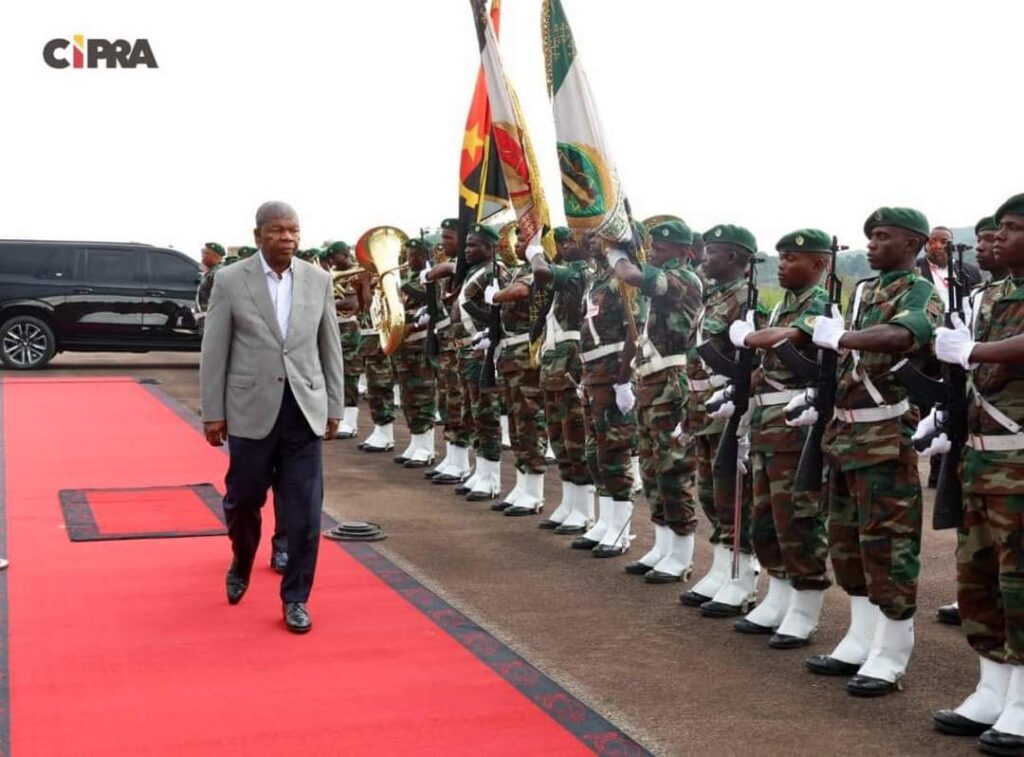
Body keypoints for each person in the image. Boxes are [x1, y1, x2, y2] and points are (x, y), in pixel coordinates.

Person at [803, 207, 942, 695]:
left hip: (884, 439)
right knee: (847, 544)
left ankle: (892, 652)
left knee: (889, 549)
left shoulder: (920, 291)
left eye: (883, 237)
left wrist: (841, 337)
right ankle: (861, 639)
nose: (872, 244)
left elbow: (902, 336)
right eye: (870, 237)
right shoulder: (864, 291)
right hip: (844, 437)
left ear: (912, 243)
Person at [199, 201, 344, 634]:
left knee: (304, 512)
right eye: (278, 231)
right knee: (243, 501)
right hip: (250, 411)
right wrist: (214, 412)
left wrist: (335, 405)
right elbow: (215, 350)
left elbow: (329, 345)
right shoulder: (229, 280)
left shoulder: (318, 280)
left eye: (294, 230)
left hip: (304, 410)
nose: (288, 238)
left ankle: (296, 597)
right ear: (259, 234)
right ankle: (242, 558)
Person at [930, 195, 1024, 750]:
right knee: (980, 577)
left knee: (1021, 582)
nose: (1000, 236)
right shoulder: (991, 294)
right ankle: (993, 687)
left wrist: (974, 351)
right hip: (984, 457)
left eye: (1013, 229)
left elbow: (987, 356)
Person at [726, 229, 831, 646]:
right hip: (767, 425)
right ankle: (779, 593)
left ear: (819, 265)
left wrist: (748, 338)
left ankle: (805, 608)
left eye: (792, 258)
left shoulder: (819, 304)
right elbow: (771, 363)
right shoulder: (782, 306)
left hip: (793, 429)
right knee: (765, 517)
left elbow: (793, 339)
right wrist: (740, 384)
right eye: (782, 257)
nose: (783, 264)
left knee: (797, 519)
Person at [608, 219, 703, 582]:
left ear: (684, 250)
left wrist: (618, 258)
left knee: (672, 468)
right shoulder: (659, 284)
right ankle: (663, 545)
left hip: (670, 382)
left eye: (664, 248)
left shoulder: (682, 278)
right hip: (651, 381)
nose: (657, 252)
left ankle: (682, 553)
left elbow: (634, 276)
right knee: (650, 468)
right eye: (655, 247)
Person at [680, 224, 766, 615]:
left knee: (734, 494)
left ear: (734, 258)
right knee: (711, 493)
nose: (704, 257)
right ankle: (719, 568)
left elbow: (759, 363)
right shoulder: (714, 297)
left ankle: (742, 575)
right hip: (704, 408)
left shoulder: (747, 302)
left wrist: (741, 399)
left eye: (712, 252)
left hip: (731, 407)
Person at [935, 216, 1006, 629]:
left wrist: (974, 348)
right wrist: (945, 410)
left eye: (997, 235)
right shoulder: (981, 297)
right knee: (977, 550)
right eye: (980, 238)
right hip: (981, 444)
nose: (986, 245)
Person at [570, 233, 639, 558]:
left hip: (613, 374)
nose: (591, 243)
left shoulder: (620, 280)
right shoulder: (597, 278)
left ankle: (621, 528)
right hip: (594, 375)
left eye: (599, 239)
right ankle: (605, 519)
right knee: (594, 451)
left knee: (614, 453)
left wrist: (624, 380)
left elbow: (633, 332)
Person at [425, 224, 506, 500]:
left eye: (474, 246)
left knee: (485, 414)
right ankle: (480, 470)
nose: (468, 250)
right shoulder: (472, 271)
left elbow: (500, 312)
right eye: (467, 245)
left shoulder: (494, 271)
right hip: (465, 351)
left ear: (490, 248)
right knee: (471, 414)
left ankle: (492, 477)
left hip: (482, 352)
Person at [531, 227, 596, 533]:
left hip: (571, 362)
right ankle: (569, 501)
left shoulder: (581, 272)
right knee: (559, 438)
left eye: (571, 240)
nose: (565, 245)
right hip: (555, 362)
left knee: (575, 437)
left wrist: (534, 251)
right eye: (562, 242)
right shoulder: (568, 272)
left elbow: (542, 273)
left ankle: (584, 509)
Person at [487, 225, 548, 516]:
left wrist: (496, 296)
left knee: (530, 420)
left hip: (526, 352)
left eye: (524, 238)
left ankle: (534, 490)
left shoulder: (541, 268)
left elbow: (522, 291)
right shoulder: (519, 268)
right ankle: (523, 484)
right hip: (512, 353)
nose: (518, 242)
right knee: (515, 421)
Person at [426, 219, 474, 484]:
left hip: (462, 348)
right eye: (442, 238)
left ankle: (462, 460)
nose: (443, 244)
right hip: (448, 345)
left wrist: (434, 271)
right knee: (446, 399)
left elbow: (449, 268)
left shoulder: (463, 267)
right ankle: (452, 456)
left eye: (449, 238)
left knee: (458, 402)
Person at [391, 237, 438, 468]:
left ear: (425, 254)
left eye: (415, 255)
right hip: (404, 346)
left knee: (423, 395)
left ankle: (427, 447)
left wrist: (394, 283)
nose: (410, 260)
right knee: (409, 397)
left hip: (420, 344)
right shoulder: (409, 278)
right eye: (408, 255)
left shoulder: (431, 276)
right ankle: (416, 441)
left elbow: (429, 300)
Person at [327, 242, 363, 439]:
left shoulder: (356, 273)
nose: (332, 262)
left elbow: (352, 302)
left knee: (349, 375)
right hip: (334, 326)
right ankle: (338, 417)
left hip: (349, 328)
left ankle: (350, 422)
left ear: (344, 254)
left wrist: (324, 301)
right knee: (334, 375)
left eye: (335, 257)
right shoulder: (333, 274)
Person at [195, 242, 226, 319]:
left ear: (214, 256)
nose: (202, 256)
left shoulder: (218, 273)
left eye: (206, 253)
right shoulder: (211, 272)